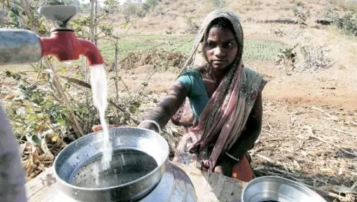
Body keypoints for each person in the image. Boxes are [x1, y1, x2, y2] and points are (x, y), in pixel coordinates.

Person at [93, 9, 267, 182]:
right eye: (211, 44)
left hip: (231, 150)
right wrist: (144, 131)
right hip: (196, 149)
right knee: (184, 191)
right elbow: (166, 107)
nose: (219, 52)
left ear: (239, 45)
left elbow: (254, 128)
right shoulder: (192, 78)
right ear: (202, 44)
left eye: (228, 44)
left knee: (238, 196)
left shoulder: (250, 82)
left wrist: (229, 159)